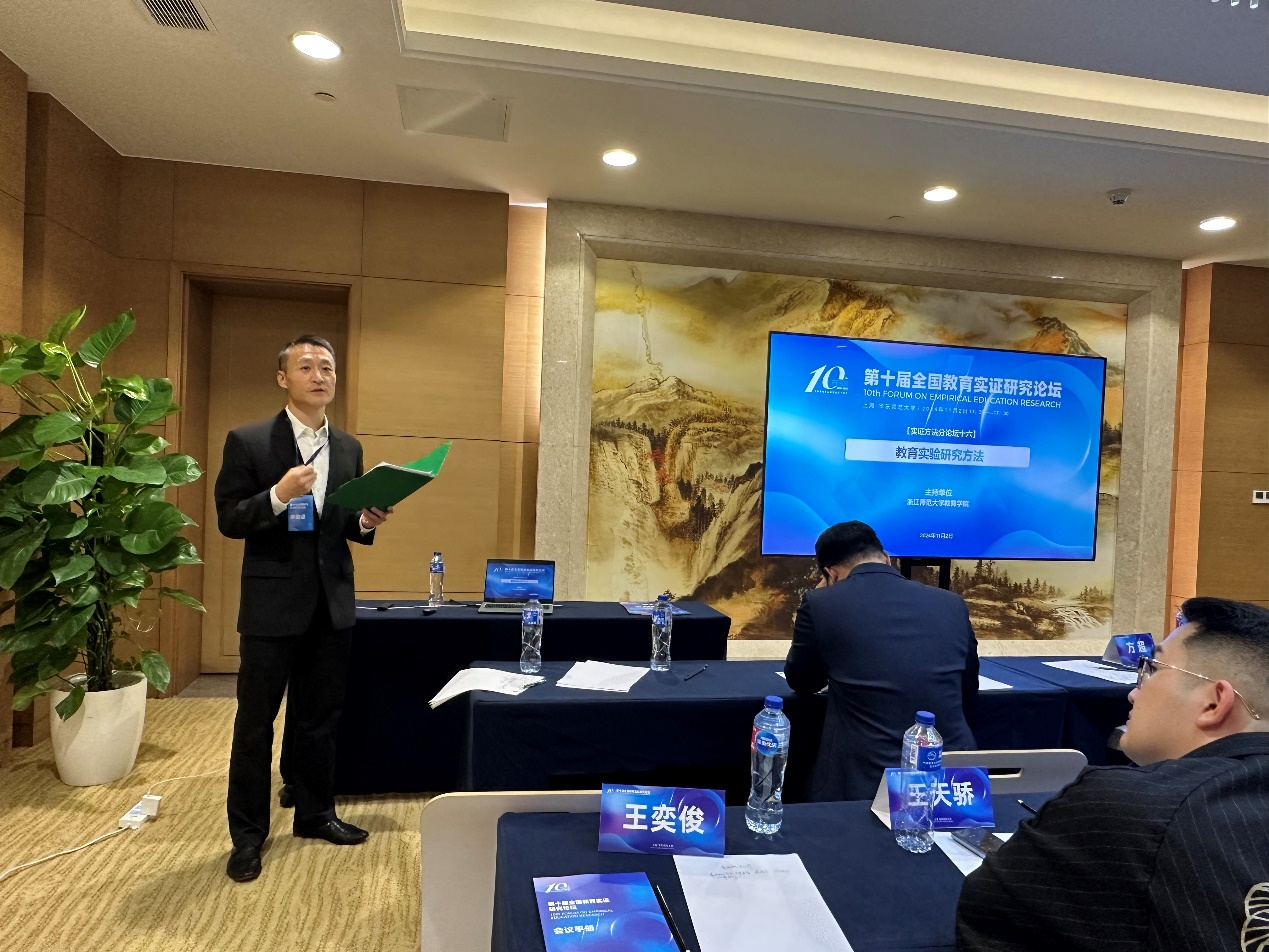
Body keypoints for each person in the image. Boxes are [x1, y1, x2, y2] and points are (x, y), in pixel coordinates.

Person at [957, 597, 1269, 951]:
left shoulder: (1127, 809)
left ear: (1213, 702)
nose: (1133, 692)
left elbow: (985, 919)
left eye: (1152, 668)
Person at [215, 334, 393, 883]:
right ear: (283, 378)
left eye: (328, 368)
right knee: (255, 725)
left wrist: (366, 521)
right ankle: (248, 837)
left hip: (330, 603)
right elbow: (229, 519)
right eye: (307, 366)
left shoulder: (349, 448)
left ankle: (315, 814)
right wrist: (277, 495)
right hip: (271, 606)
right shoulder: (247, 441)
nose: (319, 376)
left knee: (319, 720)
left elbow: (342, 526)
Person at [784, 521, 978, 801]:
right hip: (955, 788)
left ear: (831, 573)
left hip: (866, 787)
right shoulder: (952, 603)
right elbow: (968, 690)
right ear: (886, 558)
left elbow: (802, 681)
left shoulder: (821, 602)